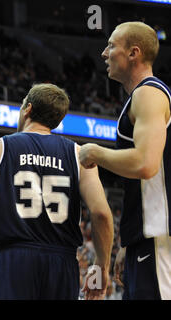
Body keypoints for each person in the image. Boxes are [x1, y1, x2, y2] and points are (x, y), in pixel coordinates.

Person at [0, 83, 114, 300]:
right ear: (58, 121)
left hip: (12, 259)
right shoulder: (79, 155)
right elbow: (101, 214)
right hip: (62, 265)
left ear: (28, 109)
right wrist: (101, 267)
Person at [79, 21, 171, 300]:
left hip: (159, 238)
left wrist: (96, 152)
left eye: (111, 46)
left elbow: (145, 164)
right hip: (146, 238)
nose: (104, 53)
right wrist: (129, 241)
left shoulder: (149, 93)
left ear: (133, 53)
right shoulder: (141, 97)